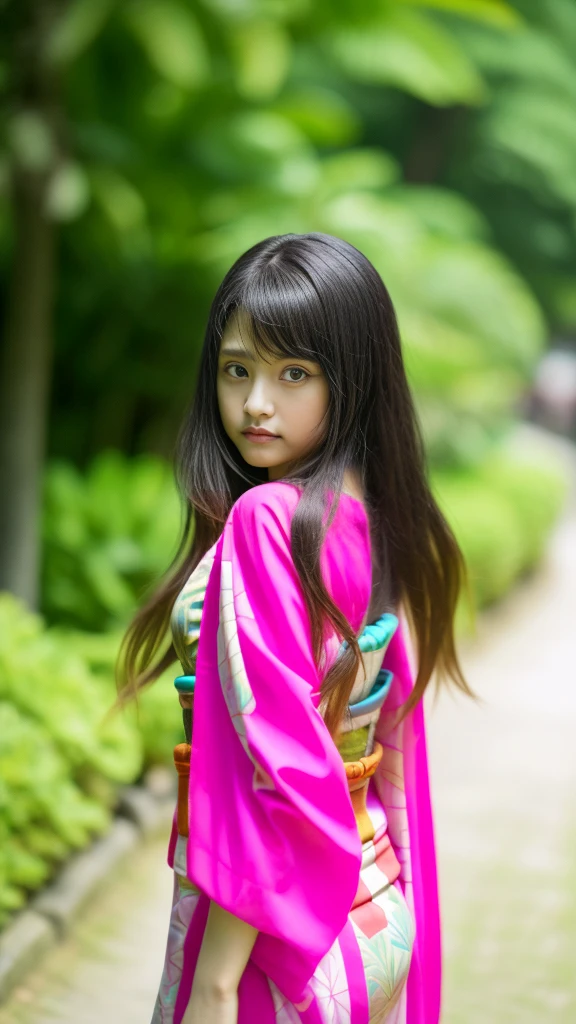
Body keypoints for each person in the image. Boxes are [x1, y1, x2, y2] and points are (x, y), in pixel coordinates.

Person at [114, 232, 472, 1024]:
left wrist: (213, 982)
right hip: (372, 907)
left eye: (294, 373)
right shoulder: (371, 519)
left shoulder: (268, 518)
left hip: (272, 940)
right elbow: (392, 756)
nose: (255, 404)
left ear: (353, 381)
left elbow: (280, 769)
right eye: (237, 369)